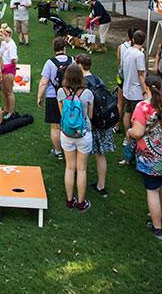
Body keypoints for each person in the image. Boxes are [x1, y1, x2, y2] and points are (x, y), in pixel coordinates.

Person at [128, 74, 162, 240]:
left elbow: (137, 133)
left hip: (150, 157)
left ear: (145, 88)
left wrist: (129, 132)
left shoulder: (142, 108)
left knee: (152, 190)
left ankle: (157, 227)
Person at [79, 55, 117, 198]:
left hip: (91, 122)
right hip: (103, 121)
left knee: (82, 154)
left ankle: (78, 177)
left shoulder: (82, 83)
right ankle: (101, 185)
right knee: (100, 154)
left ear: (81, 66)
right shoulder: (97, 79)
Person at [57, 63, 94, 211]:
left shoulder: (61, 92)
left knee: (70, 167)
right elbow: (90, 116)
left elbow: (62, 114)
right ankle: (81, 202)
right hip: (83, 133)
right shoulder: (87, 93)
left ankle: (69, 199)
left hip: (67, 134)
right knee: (82, 169)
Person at [37, 37, 75, 160]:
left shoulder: (50, 63)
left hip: (53, 97)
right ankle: (70, 149)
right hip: (70, 96)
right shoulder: (72, 61)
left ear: (54, 49)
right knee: (69, 123)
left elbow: (43, 82)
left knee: (55, 126)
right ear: (65, 48)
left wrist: (39, 96)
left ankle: (58, 151)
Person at [120, 30, 148, 160]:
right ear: (144, 41)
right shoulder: (139, 55)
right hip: (136, 90)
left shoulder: (127, 51)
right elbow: (141, 74)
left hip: (127, 87)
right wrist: (145, 90)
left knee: (128, 111)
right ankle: (134, 138)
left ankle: (127, 136)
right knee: (138, 117)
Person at [116, 27, 138, 131]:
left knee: (120, 103)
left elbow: (119, 64)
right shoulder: (141, 50)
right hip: (135, 80)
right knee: (133, 106)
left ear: (128, 36)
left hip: (123, 77)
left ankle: (117, 126)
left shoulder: (121, 47)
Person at [0, 24, 18, 120]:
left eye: (1, 35)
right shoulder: (4, 42)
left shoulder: (11, 45)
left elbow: (14, 59)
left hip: (8, 70)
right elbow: (1, 53)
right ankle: (6, 109)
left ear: (8, 35)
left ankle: (11, 112)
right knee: (4, 90)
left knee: (9, 91)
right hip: (2, 68)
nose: (0, 37)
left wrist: (6, 66)